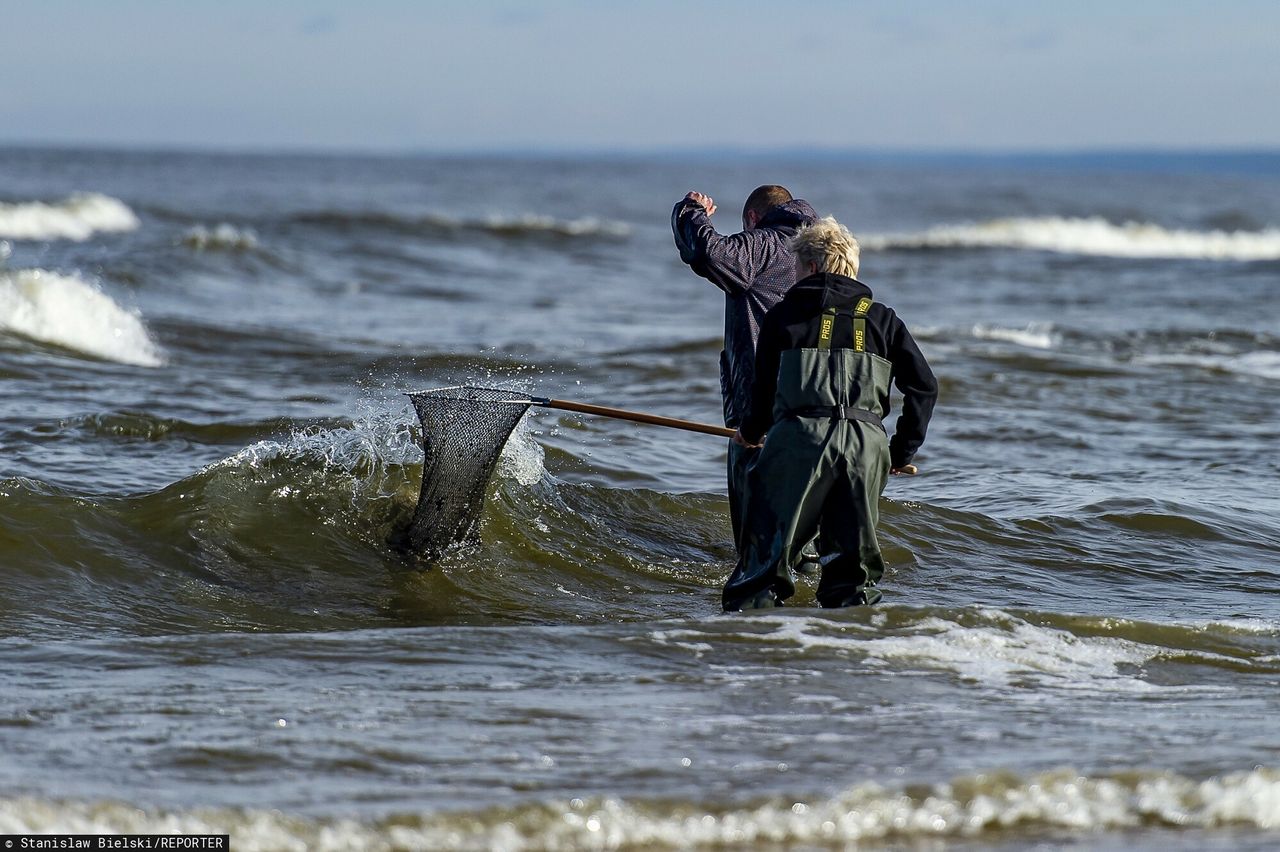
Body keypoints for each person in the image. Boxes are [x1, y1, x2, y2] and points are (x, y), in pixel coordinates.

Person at [723, 217, 937, 611]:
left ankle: (753, 649)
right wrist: (898, 452)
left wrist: (749, 433)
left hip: (800, 442)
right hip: (866, 447)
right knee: (852, 572)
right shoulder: (883, 319)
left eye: (799, 267)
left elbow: (763, 391)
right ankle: (848, 653)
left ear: (814, 267)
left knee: (764, 567)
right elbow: (924, 387)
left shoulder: (784, 316)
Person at [671, 185, 819, 547]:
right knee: (800, 525)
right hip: (815, 407)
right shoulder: (820, 252)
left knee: (755, 532)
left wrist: (691, 211)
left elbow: (707, 253)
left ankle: (756, 588)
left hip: (761, 414)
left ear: (753, 218)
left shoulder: (765, 243)